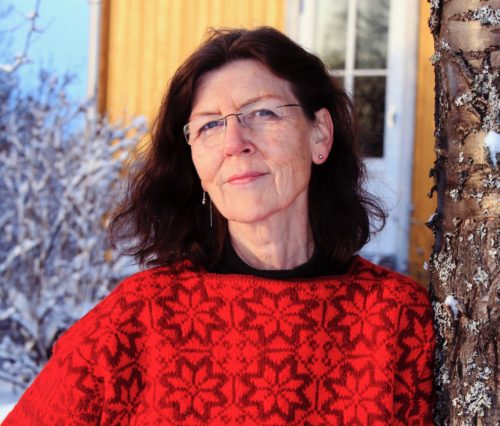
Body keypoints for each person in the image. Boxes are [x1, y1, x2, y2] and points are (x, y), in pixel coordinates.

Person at [4, 27, 435, 425]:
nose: (234, 143)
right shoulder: (137, 320)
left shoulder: (398, 320)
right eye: (210, 125)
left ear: (319, 134)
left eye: (262, 113)